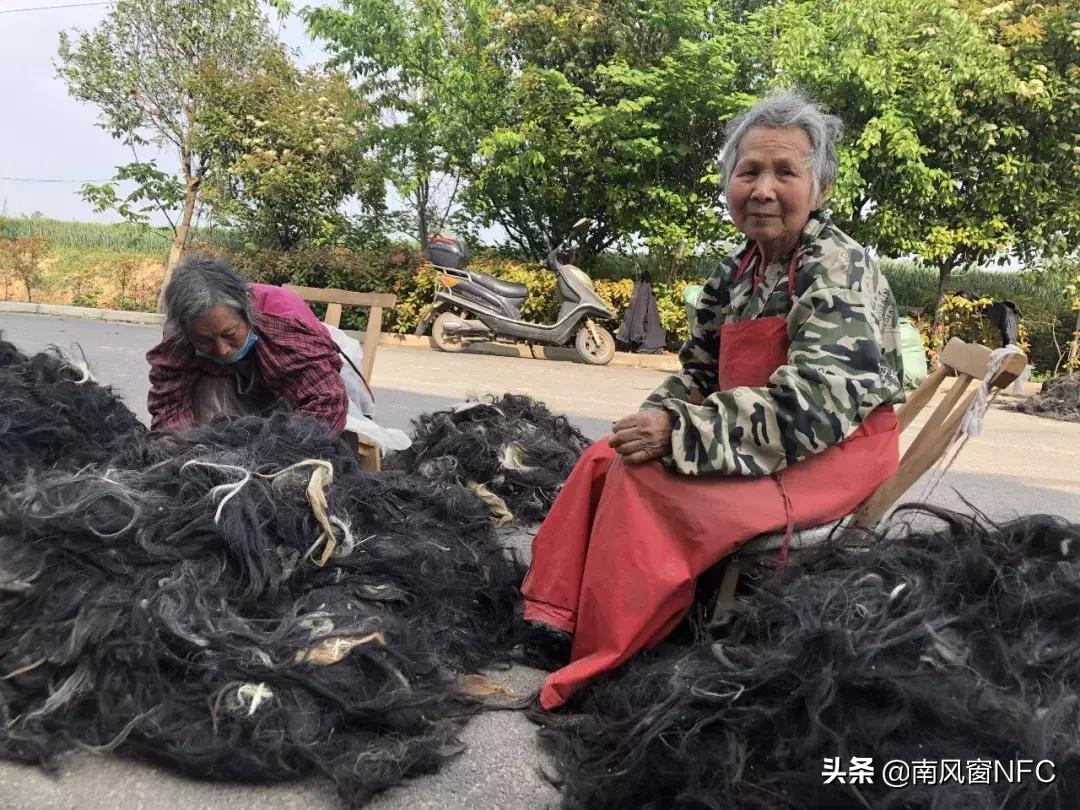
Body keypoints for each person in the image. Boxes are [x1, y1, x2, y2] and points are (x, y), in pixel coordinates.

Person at [521, 89, 906, 710]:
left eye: (786, 172)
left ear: (822, 189)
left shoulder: (839, 267)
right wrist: (657, 414)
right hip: (764, 434)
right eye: (748, 170)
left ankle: (611, 657)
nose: (763, 188)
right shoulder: (737, 272)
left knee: (648, 482)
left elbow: (815, 404)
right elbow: (699, 375)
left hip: (829, 450)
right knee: (604, 456)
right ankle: (553, 616)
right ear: (728, 182)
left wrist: (679, 436)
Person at [147, 255, 360, 434]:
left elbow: (326, 401)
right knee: (210, 394)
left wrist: (276, 454)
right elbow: (169, 407)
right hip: (231, 392)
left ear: (247, 314)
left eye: (230, 334)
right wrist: (182, 451)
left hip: (294, 393)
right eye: (204, 340)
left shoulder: (283, 323)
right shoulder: (178, 336)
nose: (223, 349)